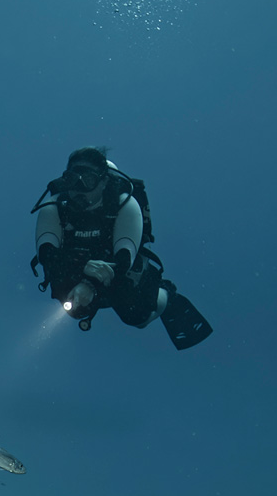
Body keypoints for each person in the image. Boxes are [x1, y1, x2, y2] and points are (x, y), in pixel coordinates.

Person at [31, 147, 212, 349]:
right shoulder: (55, 207)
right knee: (76, 310)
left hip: (119, 269)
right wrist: (82, 270)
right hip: (73, 266)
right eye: (73, 179)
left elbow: (125, 257)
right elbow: (47, 254)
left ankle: (165, 295)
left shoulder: (124, 204)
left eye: (88, 180)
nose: (79, 188)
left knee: (137, 316)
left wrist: (91, 284)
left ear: (103, 181)